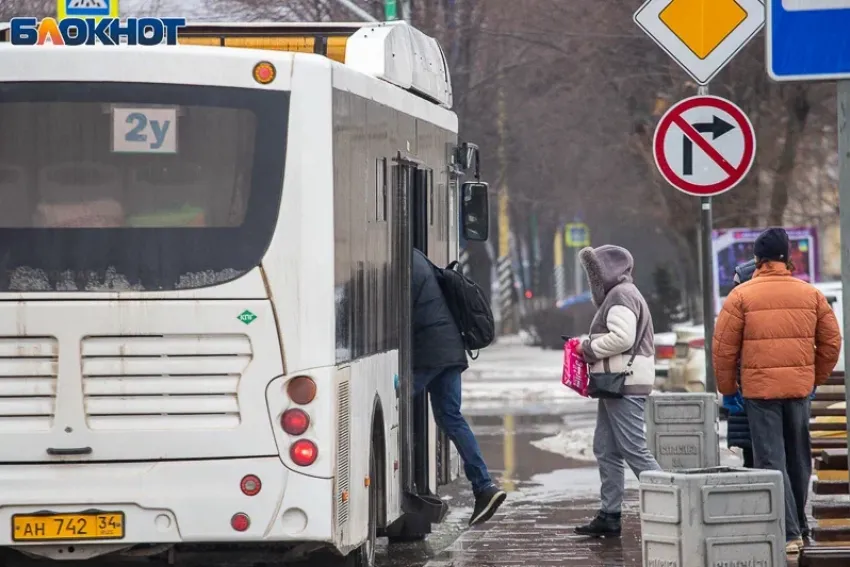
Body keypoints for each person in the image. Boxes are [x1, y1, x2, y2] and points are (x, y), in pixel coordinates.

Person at [713, 228, 842, 556]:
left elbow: (724, 349)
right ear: (788, 258)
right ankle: (798, 520)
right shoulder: (810, 294)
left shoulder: (741, 296)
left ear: (758, 258)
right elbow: (831, 342)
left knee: (772, 459)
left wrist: (728, 390)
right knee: (799, 458)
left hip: (760, 394)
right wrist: (814, 378)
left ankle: (788, 532)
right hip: (798, 391)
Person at [411, 247, 506, 527]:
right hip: (451, 350)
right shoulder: (418, 258)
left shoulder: (397, 259)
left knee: (396, 406)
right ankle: (484, 487)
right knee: (451, 417)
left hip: (429, 353)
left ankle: (402, 486)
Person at [573, 245, 662, 538]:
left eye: (593, 273)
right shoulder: (622, 293)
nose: (592, 281)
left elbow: (622, 338)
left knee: (634, 449)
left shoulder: (621, 295)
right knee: (606, 448)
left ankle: (674, 503)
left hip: (623, 383)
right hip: (615, 383)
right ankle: (609, 515)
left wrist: (588, 348)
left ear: (605, 273)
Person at [723, 259, 756, 469]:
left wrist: (728, 387)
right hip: (748, 389)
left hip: (749, 388)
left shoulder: (741, 306)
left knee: (755, 452)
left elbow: (725, 350)